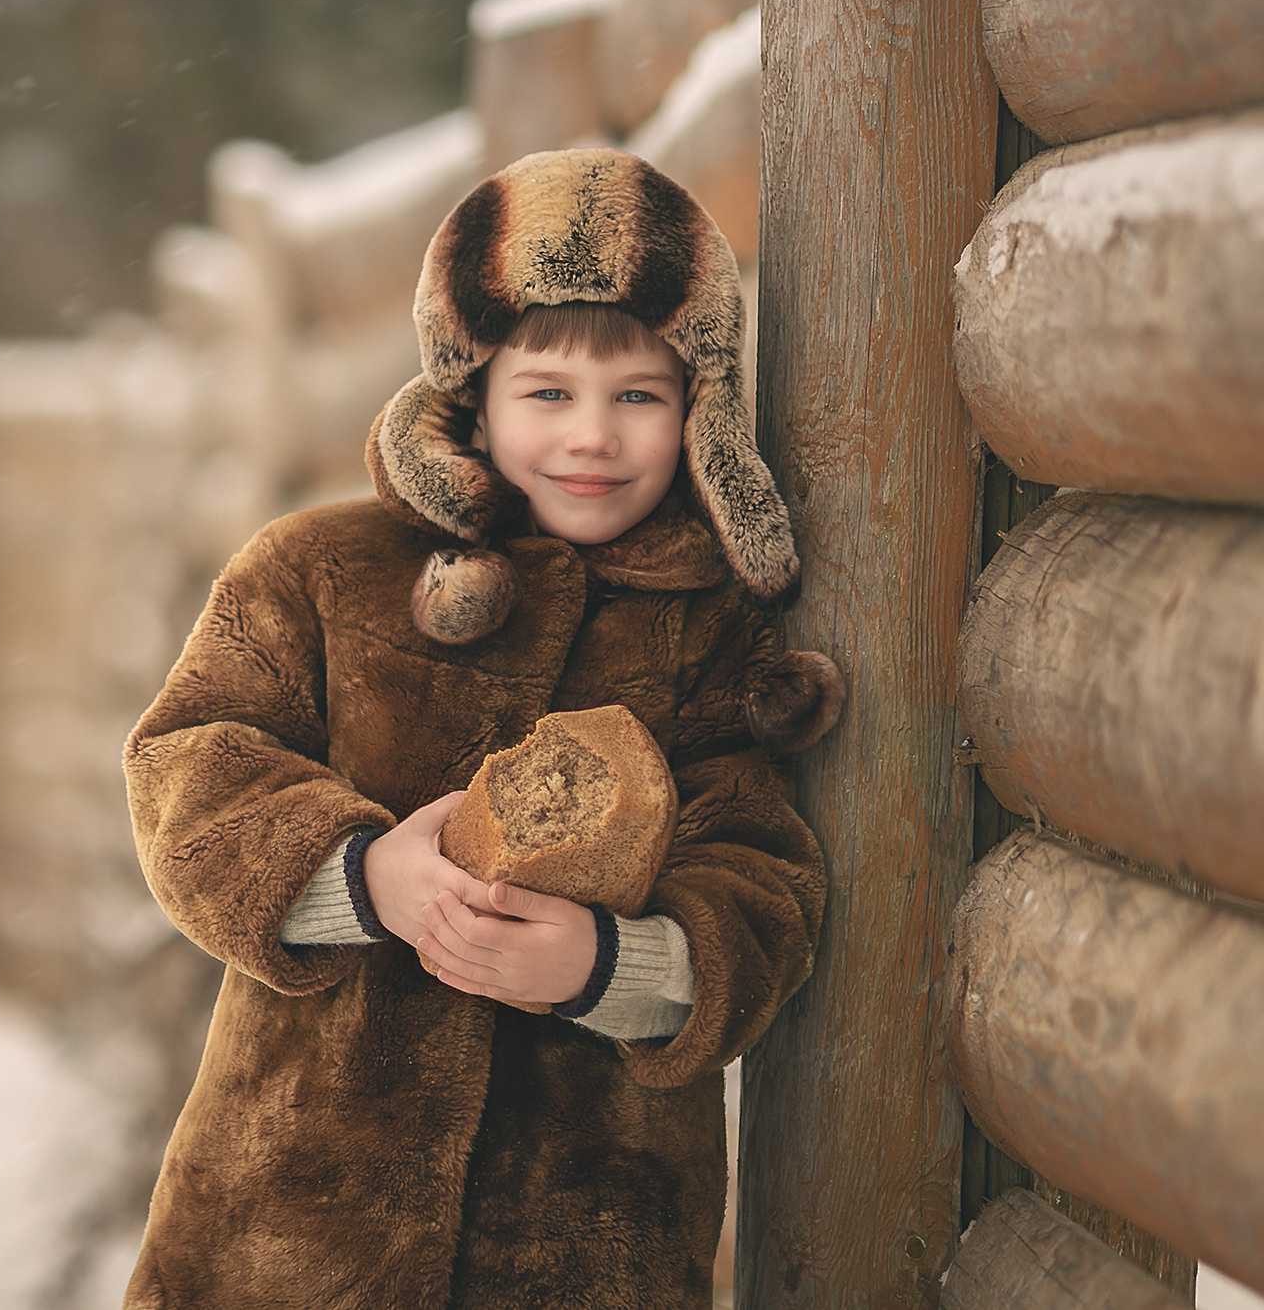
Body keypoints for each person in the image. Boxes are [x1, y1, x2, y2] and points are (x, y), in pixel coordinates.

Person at [121, 149, 839, 1309]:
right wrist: (360, 878)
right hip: (290, 1221)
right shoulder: (319, 572)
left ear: (699, 407)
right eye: (547, 392)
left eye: (638, 397)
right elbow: (185, 772)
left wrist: (606, 965)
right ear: (471, 394)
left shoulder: (712, 637)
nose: (591, 437)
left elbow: (760, 880)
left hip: (584, 1241)